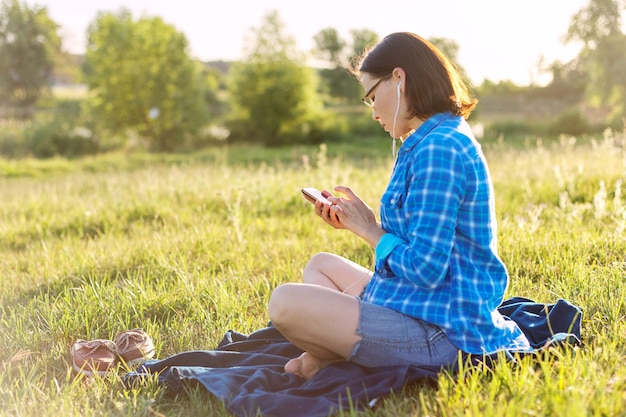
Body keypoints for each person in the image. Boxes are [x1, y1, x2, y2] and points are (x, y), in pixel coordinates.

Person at [267, 32, 531, 380]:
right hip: (413, 302)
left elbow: (426, 269)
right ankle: (332, 355)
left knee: (284, 303)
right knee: (321, 266)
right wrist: (361, 221)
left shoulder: (440, 150)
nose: (373, 110)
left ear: (399, 78)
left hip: (442, 332)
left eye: (373, 96)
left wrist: (369, 231)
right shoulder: (427, 140)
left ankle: (333, 356)